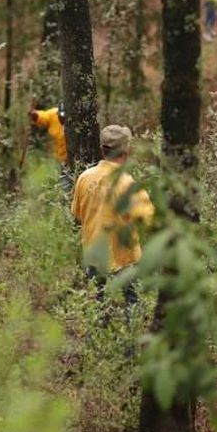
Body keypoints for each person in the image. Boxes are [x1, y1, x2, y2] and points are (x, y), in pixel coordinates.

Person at [71, 125, 154, 309]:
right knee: (133, 303)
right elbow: (149, 221)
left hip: (93, 254)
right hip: (124, 257)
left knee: (96, 304)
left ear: (102, 149)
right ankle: (133, 335)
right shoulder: (128, 184)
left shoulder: (84, 178)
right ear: (127, 151)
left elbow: (77, 213)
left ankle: (97, 333)